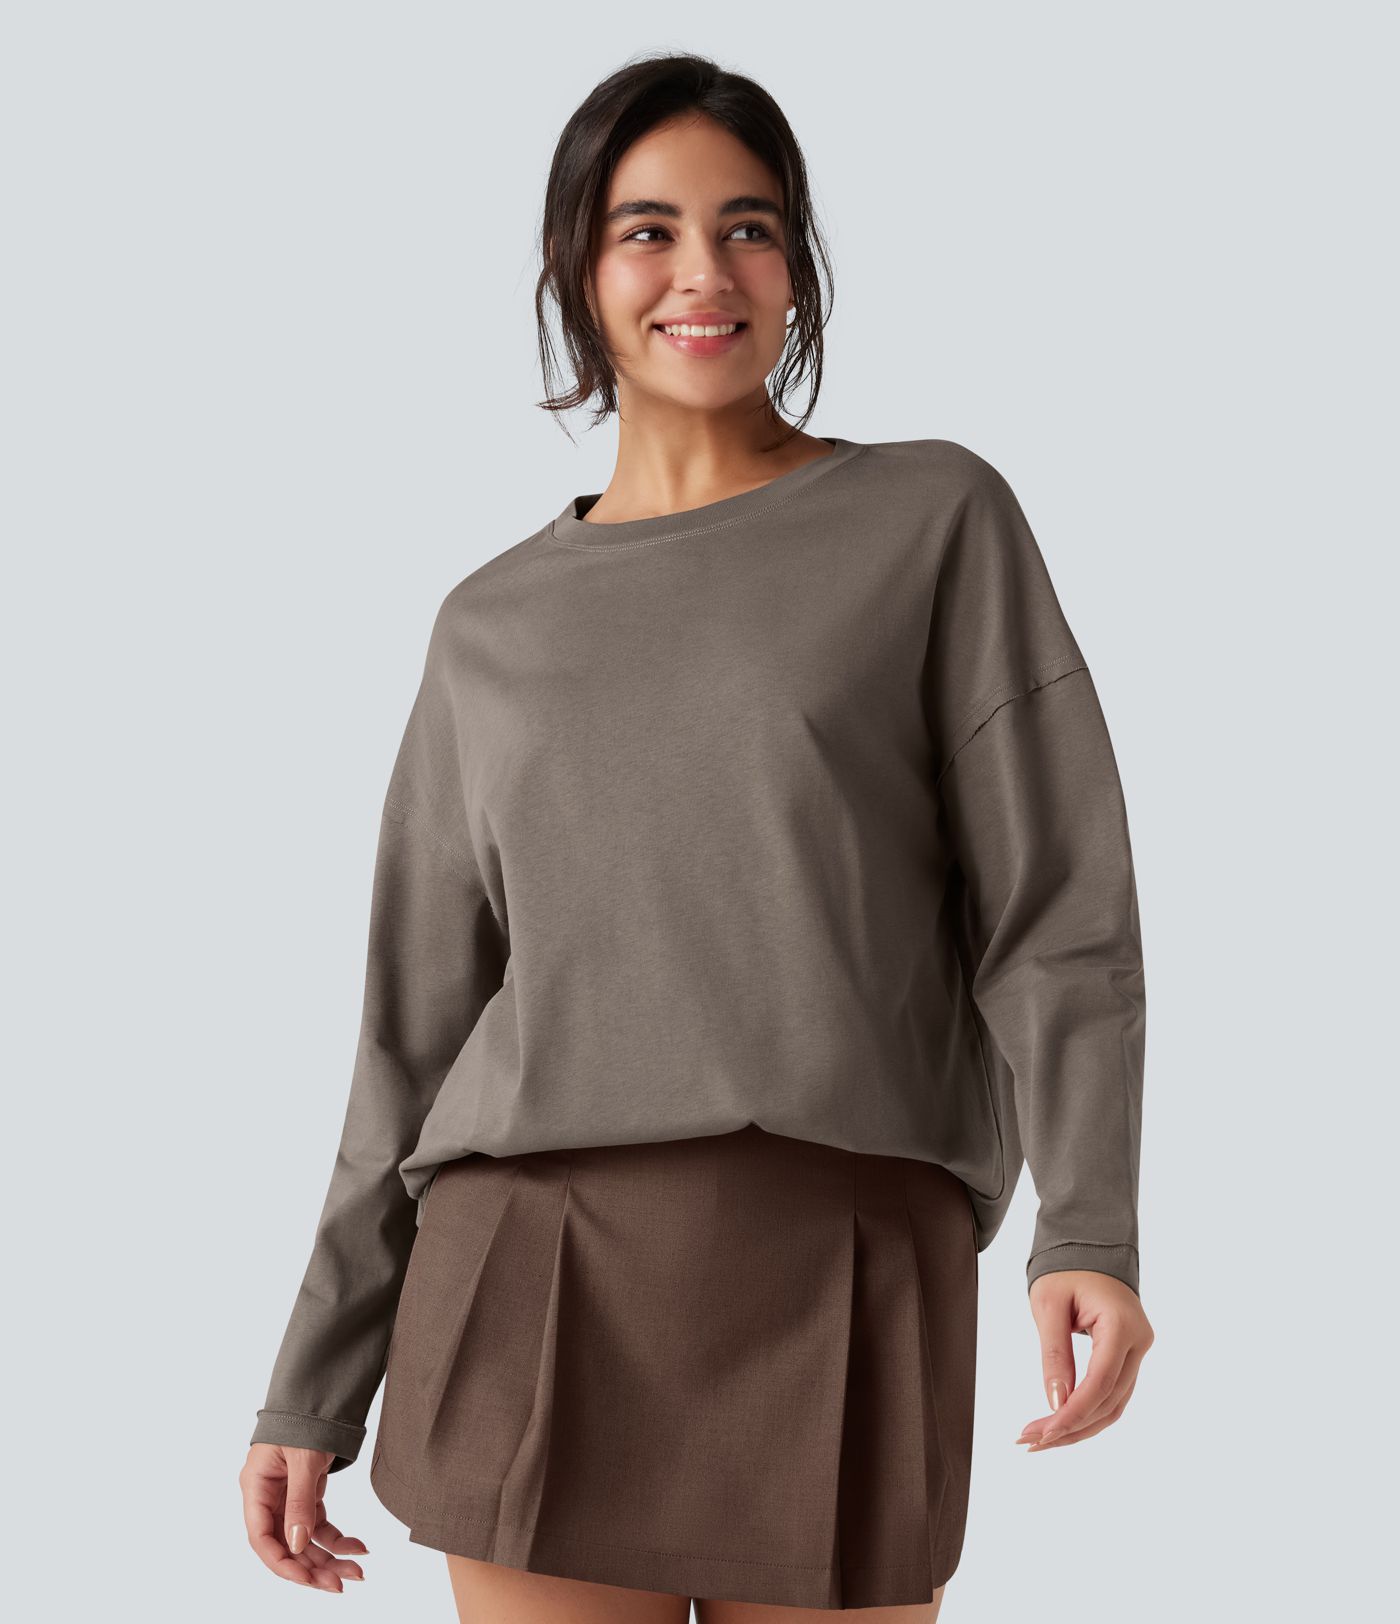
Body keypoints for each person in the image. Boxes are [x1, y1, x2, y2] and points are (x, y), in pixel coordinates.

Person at [240, 51, 1154, 1623]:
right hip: (529, 1273)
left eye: (749, 228)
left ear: (796, 265)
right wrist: (311, 1384)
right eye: (647, 231)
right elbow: (410, 1034)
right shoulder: (488, 626)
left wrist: (1091, 1225)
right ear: (578, 272)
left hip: (844, 1261)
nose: (703, 273)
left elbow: (1057, 914)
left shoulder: (933, 521)